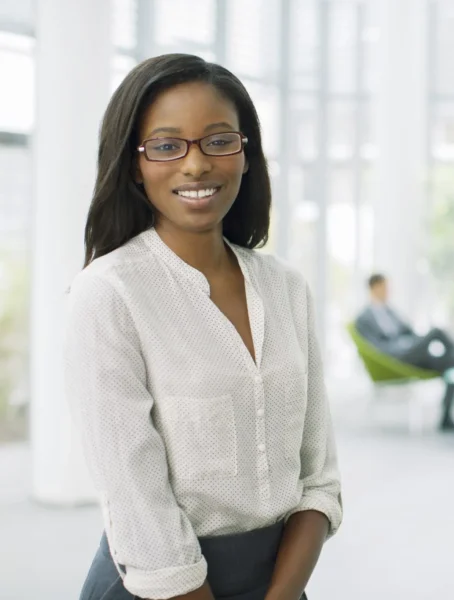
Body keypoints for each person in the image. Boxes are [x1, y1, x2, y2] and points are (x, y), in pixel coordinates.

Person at [65, 54, 342, 600]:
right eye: (167, 146)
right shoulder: (110, 292)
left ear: (245, 154)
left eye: (218, 141)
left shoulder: (286, 288)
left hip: (280, 583)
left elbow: (319, 480)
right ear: (134, 164)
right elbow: (136, 500)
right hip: (161, 586)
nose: (195, 165)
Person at [354, 273, 454, 432]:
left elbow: (408, 331)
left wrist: (418, 342)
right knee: (437, 332)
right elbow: (374, 347)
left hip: (411, 351)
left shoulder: (389, 310)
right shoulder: (364, 317)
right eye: (385, 287)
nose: (388, 291)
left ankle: (446, 418)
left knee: (452, 361)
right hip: (394, 357)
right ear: (374, 287)